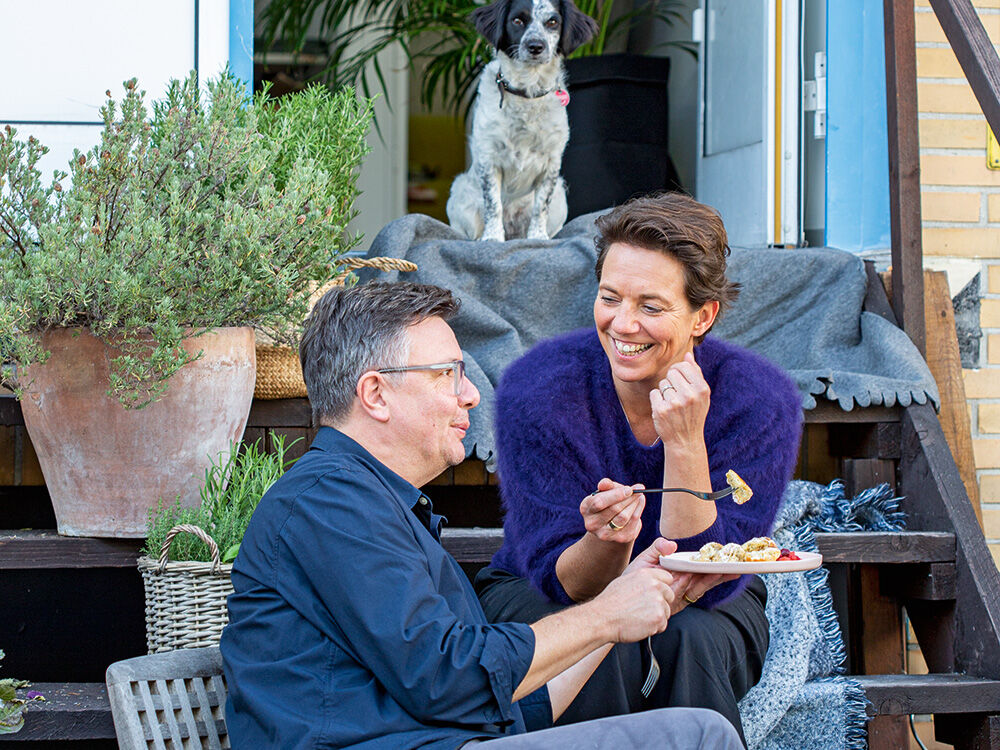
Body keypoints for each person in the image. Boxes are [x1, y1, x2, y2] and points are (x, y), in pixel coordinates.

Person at [220, 281, 743, 749]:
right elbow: (448, 677)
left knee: (695, 728)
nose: (471, 395)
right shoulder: (325, 502)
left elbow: (504, 708)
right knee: (697, 735)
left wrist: (630, 597)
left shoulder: (370, 502)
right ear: (376, 393)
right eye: (449, 374)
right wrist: (607, 613)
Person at [475, 193, 804, 743]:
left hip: (707, 601)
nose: (623, 324)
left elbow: (714, 578)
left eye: (651, 307)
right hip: (544, 585)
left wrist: (684, 444)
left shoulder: (760, 399)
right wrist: (607, 546)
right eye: (609, 298)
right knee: (597, 641)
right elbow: (561, 578)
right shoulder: (539, 386)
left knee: (690, 639)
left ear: (703, 316)